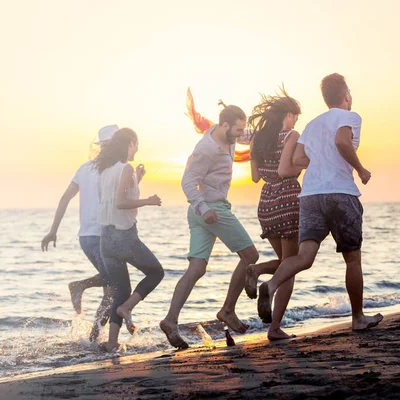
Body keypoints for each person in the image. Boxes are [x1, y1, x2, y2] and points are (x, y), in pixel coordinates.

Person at [257, 73, 383, 332]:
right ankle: (358, 318)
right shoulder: (350, 116)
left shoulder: (312, 124)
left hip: (310, 195)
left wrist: (320, 164)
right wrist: (359, 169)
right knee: (352, 259)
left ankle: (270, 286)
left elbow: (299, 159)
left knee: (304, 256)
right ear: (346, 95)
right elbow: (341, 141)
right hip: (340, 193)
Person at [160, 102, 259, 349]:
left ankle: (170, 320)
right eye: (237, 129)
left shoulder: (228, 134)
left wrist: (272, 125)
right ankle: (227, 310)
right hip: (211, 209)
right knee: (250, 255)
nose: (240, 133)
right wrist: (205, 209)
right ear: (225, 125)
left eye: (241, 129)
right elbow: (187, 183)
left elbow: (251, 135)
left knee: (197, 269)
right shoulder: (206, 149)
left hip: (203, 211)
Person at [41, 124, 119, 341]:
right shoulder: (113, 168)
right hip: (102, 235)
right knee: (113, 289)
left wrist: (53, 230)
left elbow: (65, 197)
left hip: (86, 237)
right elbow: (120, 200)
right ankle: (94, 338)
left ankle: (97, 333)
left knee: (112, 283)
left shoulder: (84, 168)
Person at [94, 128, 164, 352]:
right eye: (137, 144)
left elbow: (113, 199)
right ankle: (127, 309)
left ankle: (112, 342)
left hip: (105, 239)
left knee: (121, 290)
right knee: (156, 272)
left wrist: (137, 180)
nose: (137, 149)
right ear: (130, 143)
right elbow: (121, 202)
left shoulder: (105, 170)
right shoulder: (126, 168)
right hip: (123, 238)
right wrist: (148, 201)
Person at [244, 88, 303, 340]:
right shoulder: (291, 135)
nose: (295, 122)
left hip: (267, 202)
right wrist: (301, 165)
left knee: (285, 261)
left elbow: (256, 177)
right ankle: (275, 328)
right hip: (288, 198)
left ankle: (257, 270)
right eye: (295, 117)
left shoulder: (257, 139)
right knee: (290, 267)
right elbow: (283, 171)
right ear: (288, 115)